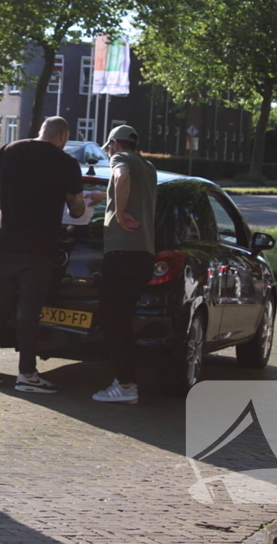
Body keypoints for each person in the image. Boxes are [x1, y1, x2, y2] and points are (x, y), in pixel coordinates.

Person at [0, 117, 85, 393]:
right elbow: (76, 209)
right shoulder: (66, 163)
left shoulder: (8, 150)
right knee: (29, 312)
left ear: (41, 131)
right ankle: (26, 373)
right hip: (40, 249)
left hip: (4, 245)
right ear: (62, 136)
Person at [89, 124, 157, 405]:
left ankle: (126, 385)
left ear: (115, 145)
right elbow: (133, 189)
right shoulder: (149, 167)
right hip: (144, 253)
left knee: (112, 320)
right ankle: (126, 380)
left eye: (107, 149)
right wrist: (103, 197)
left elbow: (121, 176)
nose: (108, 154)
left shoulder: (121, 161)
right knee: (124, 319)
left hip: (121, 253)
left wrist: (118, 213)